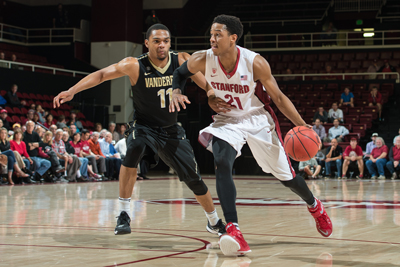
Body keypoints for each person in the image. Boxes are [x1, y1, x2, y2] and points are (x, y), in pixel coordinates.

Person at [171, 15, 332, 256]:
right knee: (221, 162)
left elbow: (278, 97)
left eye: (218, 34)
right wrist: (178, 90)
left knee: (287, 177)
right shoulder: (202, 58)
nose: (212, 39)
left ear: (233, 38)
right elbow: (180, 74)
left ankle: (315, 206)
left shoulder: (254, 62)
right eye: (211, 34)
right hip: (228, 120)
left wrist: (302, 125)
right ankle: (233, 229)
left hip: (257, 118)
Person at [53, 23, 222, 237]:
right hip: (143, 126)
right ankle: (124, 213)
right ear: (146, 43)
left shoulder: (181, 60)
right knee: (134, 147)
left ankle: (214, 221)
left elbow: (206, 84)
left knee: (193, 178)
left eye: (166, 41)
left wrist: (212, 96)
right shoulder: (135, 65)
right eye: (157, 41)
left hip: (171, 130)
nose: (162, 45)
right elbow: (102, 74)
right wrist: (72, 90)